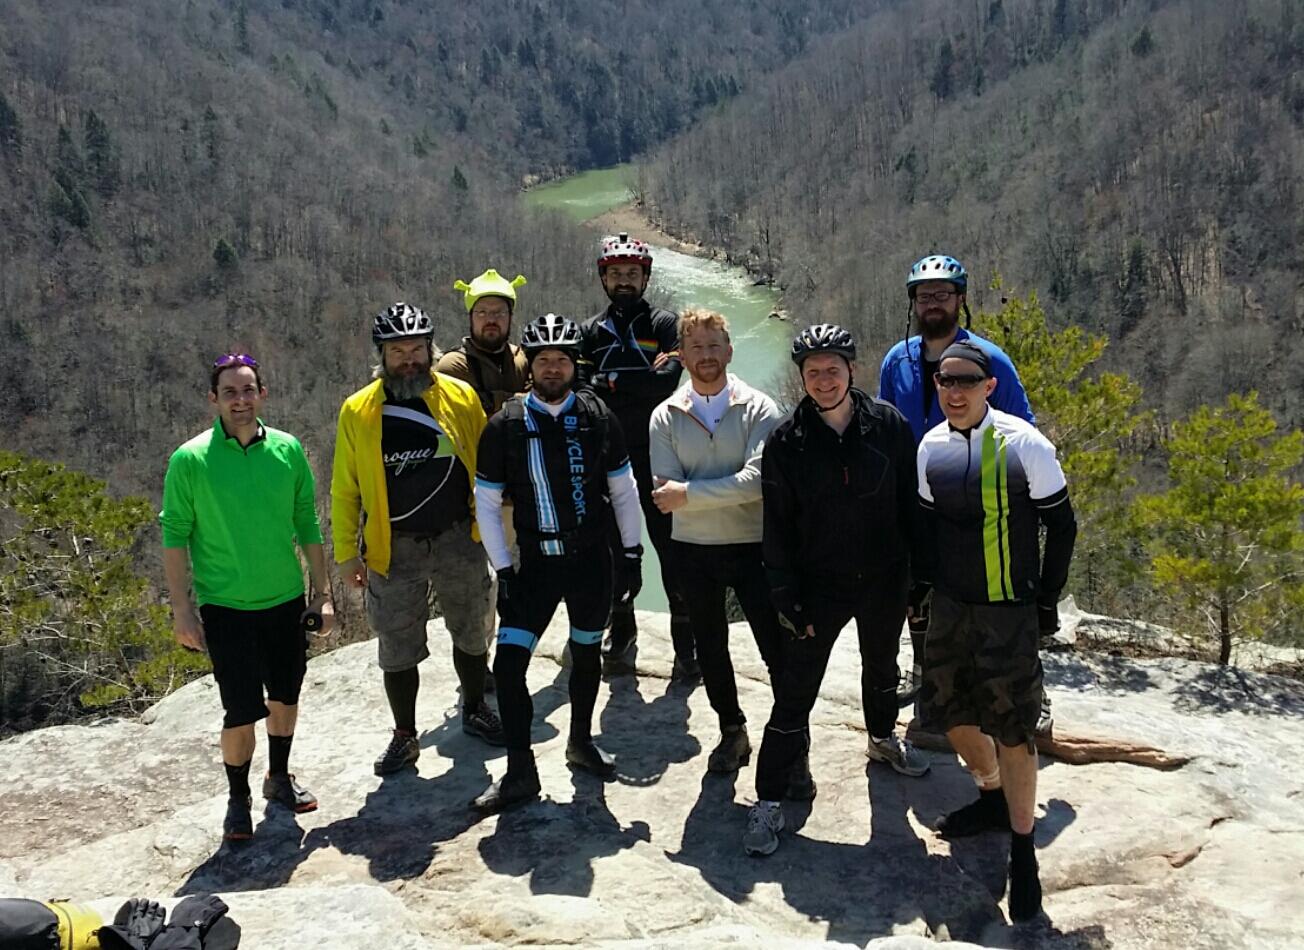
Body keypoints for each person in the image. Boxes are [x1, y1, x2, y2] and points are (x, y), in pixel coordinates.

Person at [744, 325, 929, 858]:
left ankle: (881, 737)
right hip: (818, 586)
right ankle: (769, 800)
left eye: (833, 369)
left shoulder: (888, 426)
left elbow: (912, 506)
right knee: (795, 691)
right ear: (801, 378)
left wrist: (922, 578)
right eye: (812, 373)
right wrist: (785, 594)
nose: (824, 381)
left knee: (882, 664)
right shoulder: (786, 441)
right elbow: (776, 526)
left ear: (851, 369)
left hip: (884, 576)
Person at [915, 341, 1077, 922]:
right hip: (951, 609)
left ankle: (1023, 845)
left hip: (1008, 609)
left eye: (966, 381)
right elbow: (928, 531)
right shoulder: (930, 446)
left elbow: (1062, 526)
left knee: (1013, 731)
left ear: (989, 386)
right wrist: (921, 597)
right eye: (944, 381)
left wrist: (1046, 601)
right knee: (950, 716)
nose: (953, 391)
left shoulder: (1023, 444)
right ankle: (989, 795)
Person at [470, 314, 644, 812]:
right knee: (508, 666)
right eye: (543, 360)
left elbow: (624, 490)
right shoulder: (504, 423)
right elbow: (486, 501)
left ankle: (580, 741)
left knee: (588, 655)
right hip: (534, 566)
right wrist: (503, 569)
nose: (552, 369)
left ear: (573, 366)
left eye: (561, 361)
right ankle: (520, 771)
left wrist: (631, 555)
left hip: (591, 561)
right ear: (531, 366)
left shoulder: (596, 415)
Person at [160, 352, 332, 841]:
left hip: (284, 599)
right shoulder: (190, 460)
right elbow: (175, 536)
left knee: (285, 696)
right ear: (214, 400)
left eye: (248, 390)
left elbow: (307, 523)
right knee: (239, 710)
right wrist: (182, 609)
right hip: (226, 607)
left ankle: (279, 778)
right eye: (230, 392)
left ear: (263, 394)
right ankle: (238, 800)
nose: (241, 400)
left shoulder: (287, 450)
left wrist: (322, 595)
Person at [331, 302, 503, 779]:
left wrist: (495, 530)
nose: (408, 359)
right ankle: (405, 736)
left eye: (416, 349)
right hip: (395, 544)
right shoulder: (360, 411)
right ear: (381, 356)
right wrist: (346, 553)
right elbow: (345, 489)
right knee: (398, 643)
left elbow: (488, 468)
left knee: (470, 627)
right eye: (397, 351)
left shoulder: (460, 398)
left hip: (457, 536)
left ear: (431, 350)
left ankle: (474, 708)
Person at [877, 254, 1042, 715]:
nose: (933, 304)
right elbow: (884, 428)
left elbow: (1024, 430)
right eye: (924, 296)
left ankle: (1030, 691)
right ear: (913, 302)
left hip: (983, 503)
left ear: (960, 300)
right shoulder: (898, 361)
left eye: (943, 295)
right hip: (919, 502)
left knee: (1000, 603)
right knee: (922, 593)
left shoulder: (990, 361)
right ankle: (927, 672)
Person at [648, 308, 784, 773]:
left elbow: (758, 481)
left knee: (776, 648)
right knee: (710, 647)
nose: (706, 356)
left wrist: (690, 494)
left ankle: (790, 743)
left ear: (729, 350)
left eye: (714, 346)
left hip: (754, 546)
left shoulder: (761, 408)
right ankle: (733, 732)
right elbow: (664, 495)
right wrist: (701, 494)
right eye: (696, 348)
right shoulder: (665, 416)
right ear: (681, 356)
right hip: (693, 551)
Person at [579, 232, 695, 678]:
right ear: (604, 279)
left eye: (632, 273)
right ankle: (622, 636)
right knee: (614, 551)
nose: (624, 281)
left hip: (660, 454)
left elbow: (664, 382)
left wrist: (609, 381)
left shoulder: (666, 325)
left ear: (645, 277)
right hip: (608, 457)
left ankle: (686, 647)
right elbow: (581, 391)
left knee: (672, 550)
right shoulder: (590, 331)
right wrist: (631, 380)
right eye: (616, 274)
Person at [437, 269, 532, 416]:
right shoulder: (454, 365)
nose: (491, 320)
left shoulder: (521, 360)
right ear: (471, 317)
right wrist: (517, 399)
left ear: (511, 317)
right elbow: (461, 409)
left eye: (500, 313)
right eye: (482, 312)